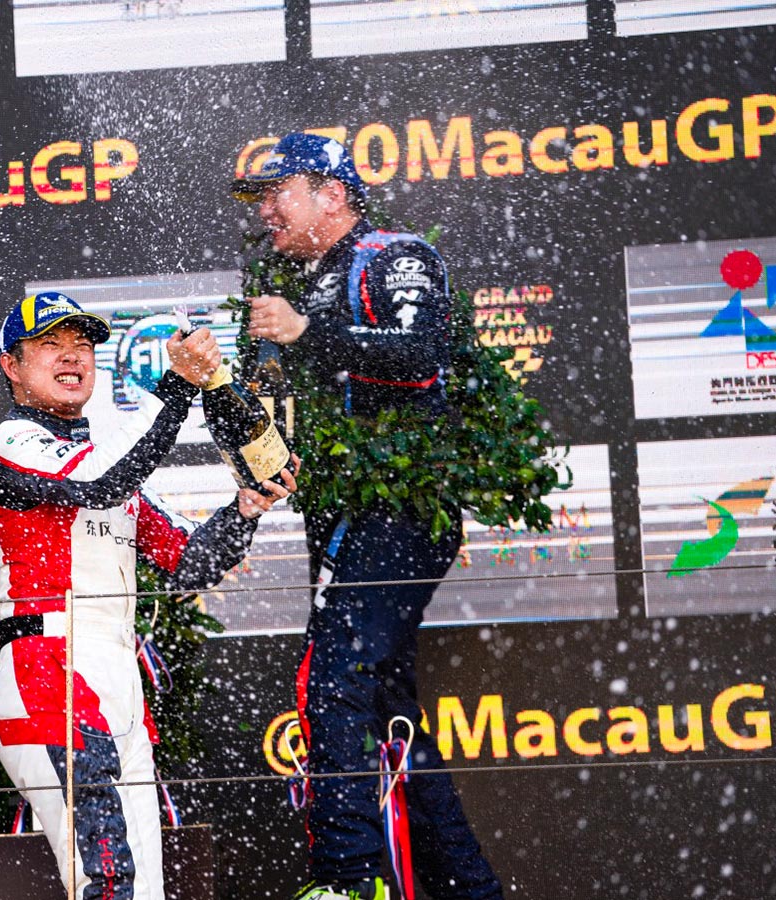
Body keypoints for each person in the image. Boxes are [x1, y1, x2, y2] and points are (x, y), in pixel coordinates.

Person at [234, 132, 504, 900]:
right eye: (259, 197)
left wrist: (305, 331)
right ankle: (468, 890)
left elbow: (421, 351)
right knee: (387, 708)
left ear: (331, 193)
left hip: (401, 509)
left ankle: (348, 880)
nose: (265, 210)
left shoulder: (394, 255)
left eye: (277, 191)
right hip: (343, 516)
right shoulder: (301, 283)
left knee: (335, 679)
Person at [0, 292, 296, 900]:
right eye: (50, 345)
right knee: (109, 881)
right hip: (50, 674)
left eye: (82, 346)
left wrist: (248, 506)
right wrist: (176, 385)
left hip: (116, 680)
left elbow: (190, 563)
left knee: (142, 890)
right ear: (11, 366)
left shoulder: (104, 466)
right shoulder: (8, 442)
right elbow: (101, 479)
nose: (72, 357)